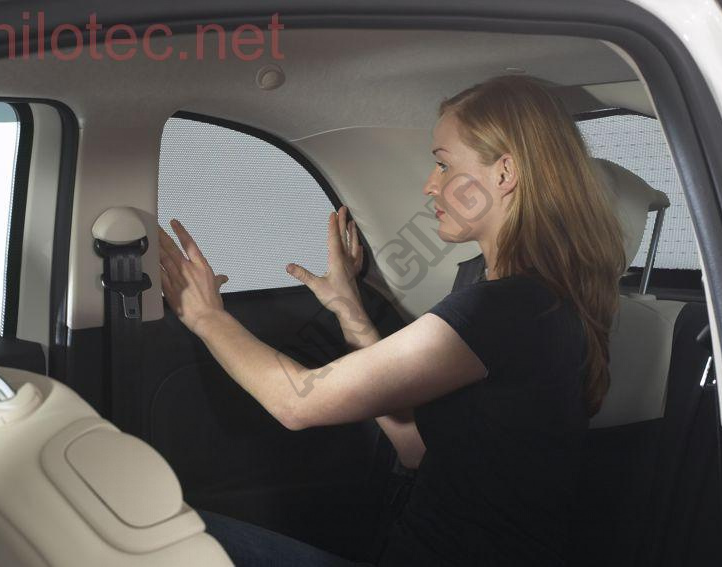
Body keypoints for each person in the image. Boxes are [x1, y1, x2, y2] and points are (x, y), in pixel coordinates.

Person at [158, 74, 626, 566]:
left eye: (444, 164)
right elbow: (415, 449)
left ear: (505, 173)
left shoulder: (508, 309)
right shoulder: (506, 293)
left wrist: (205, 315)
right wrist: (351, 313)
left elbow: (295, 402)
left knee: (160, 536)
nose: (430, 185)